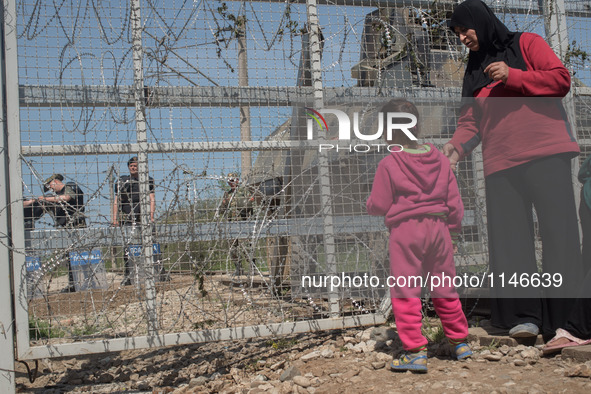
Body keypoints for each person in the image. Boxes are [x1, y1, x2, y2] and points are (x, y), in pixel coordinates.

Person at [443, 0, 582, 340]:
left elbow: (560, 80)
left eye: (466, 29)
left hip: (546, 154)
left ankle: (566, 322)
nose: (462, 38)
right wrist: (455, 148)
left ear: (482, 21)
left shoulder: (526, 43)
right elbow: (470, 121)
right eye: (458, 34)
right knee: (510, 243)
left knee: (558, 237)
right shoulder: (474, 69)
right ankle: (524, 319)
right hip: (500, 163)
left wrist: (513, 75)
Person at [366, 99, 472, 373]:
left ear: (387, 131)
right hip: (439, 230)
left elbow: (378, 204)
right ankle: (460, 341)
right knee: (445, 286)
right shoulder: (439, 158)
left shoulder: (389, 163)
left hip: (406, 232)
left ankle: (414, 350)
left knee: (406, 289)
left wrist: (369, 204)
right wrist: (454, 232)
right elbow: (454, 203)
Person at [23, 173, 86, 292]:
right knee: (68, 258)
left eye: (51, 187)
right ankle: (73, 284)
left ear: (55, 182)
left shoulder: (71, 187)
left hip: (76, 227)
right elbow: (37, 207)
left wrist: (44, 198)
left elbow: (67, 197)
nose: (51, 190)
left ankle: (89, 282)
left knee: (81, 256)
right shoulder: (54, 198)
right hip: (64, 229)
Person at [112, 156, 157, 285]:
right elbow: (117, 200)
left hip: (143, 216)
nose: (133, 167)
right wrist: (115, 219)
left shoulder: (147, 180)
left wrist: (151, 216)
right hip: (127, 216)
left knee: (151, 243)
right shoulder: (122, 181)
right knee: (128, 247)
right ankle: (128, 275)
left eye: (136, 165)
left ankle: (158, 271)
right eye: (131, 165)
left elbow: (152, 198)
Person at [220, 172, 256, 276]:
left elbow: (252, 206)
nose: (230, 183)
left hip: (243, 223)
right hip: (231, 225)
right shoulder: (227, 194)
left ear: (236, 180)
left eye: (232, 181)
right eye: (228, 181)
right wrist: (223, 203)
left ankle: (252, 268)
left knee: (246, 247)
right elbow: (222, 211)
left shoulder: (244, 192)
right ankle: (238, 268)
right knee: (232, 248)